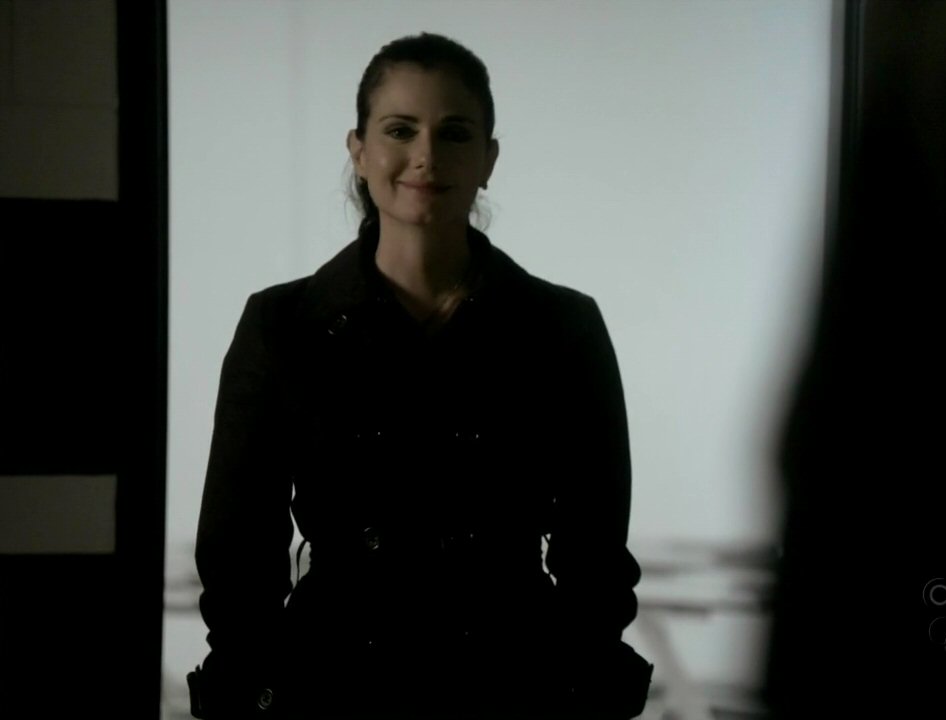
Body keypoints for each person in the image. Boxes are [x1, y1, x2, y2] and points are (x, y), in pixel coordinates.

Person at [188, 32, 652, 719]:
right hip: (335, 683)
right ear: (359, 150)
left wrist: (582, 683)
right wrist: (249, 683)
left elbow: (594, 551)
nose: (426, 156)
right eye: (400, 130)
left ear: (489, 158)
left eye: (454, 133)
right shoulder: (282, 324)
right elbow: (239, 553)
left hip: (512, 682)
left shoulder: (562, 326)